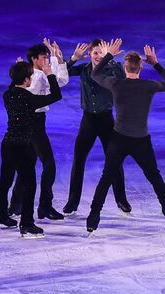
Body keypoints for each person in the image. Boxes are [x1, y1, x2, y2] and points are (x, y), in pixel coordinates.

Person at [86, 39, 165, 232]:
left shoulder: (116, 84)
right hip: (141, 141)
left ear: (124, 66)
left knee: (106, 177)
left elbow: (94, 74)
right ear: (140, 67)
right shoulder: (148, 85)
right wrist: (156, 63)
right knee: (154, 176)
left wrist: (109, 55)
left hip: (119, 139)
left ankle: (93, 216)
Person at [62, 39, 131, 215]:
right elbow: (63, 73)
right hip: (88, 121)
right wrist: (73, 58)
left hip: (106, 120)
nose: (98, 56)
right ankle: (72, 202)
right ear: (90, 54)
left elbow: (124, 78)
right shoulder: (84, 70)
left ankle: (121, 199)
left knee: (114, 160)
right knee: (79, 159)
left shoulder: (112, 69)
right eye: (95, 53)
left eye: (101, 52)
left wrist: (111, 58)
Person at [0, 60, 62, 237]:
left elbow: (15, 85)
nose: (32, 79)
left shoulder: (8, 95)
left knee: (5, 181)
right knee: (30, 184)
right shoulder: (28, 98)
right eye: (29, 76)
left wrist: (19, 69)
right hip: (22, 146)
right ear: (25, 79)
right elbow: (56, 96)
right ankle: (26, 223)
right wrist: (50, 75)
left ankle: (0, 215)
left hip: (7, 144)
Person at [8, 38, 69, 220]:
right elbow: (60, 83)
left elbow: (58, 80)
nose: (47, 60)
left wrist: (58, 60)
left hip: (34, 123)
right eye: (44, 57)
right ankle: (44, 206)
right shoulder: (37, 76)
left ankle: (15, 205)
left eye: (47, 57)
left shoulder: (33, 74)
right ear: (34, 59)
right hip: (34, 124)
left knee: (28, 164)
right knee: (48, 165)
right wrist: (58, 62)